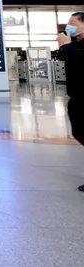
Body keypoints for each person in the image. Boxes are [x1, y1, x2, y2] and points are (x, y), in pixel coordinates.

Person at [57, 12, 84, 191]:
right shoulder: (76, 45)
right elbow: (65, 60)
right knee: (78, 133)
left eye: (73, 23)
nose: (69, 27)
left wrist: (66, 46)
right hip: (77, 97)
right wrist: (66, 46)